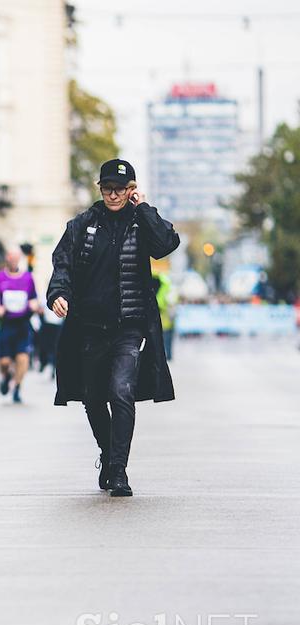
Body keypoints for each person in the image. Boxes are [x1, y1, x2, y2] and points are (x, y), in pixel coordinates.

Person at [47, 158, 179, 497]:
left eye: (121, 188)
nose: (114, 194)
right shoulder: (81, 224)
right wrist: (58, 294)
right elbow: (62, 263)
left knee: (122, 391)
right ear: (100, 188)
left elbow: (167, 243)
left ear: (132, 189)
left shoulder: (142, 221)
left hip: (130, 326)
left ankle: (119, 470)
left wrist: (145, 207)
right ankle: (108, 454)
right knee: (93, 398)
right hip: (89, 327)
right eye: (108, 188)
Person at [0, 249, 40, 403]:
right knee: (4, 361)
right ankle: (6, 377)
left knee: (23, 358)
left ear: (19, 258)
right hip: (6, 323)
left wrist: (34, 306)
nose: (13, 259)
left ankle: (17, 387)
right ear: (7, 257)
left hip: (23, 323)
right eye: (10, 256)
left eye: (16, 257)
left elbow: (33, 298)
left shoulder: (27, 277)